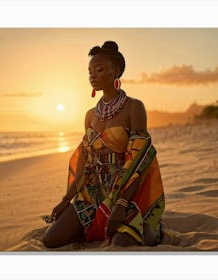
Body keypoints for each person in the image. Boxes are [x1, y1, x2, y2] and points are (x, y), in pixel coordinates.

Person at [43, 41, 165, 248]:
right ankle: (93, 225)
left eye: (99, 69)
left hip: (126, 188)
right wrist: (67, 199)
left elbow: (138, 158)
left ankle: (149, 225)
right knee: (51, 239)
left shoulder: (134, 108)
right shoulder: (89, 116)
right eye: (89, 71)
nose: (92, 75)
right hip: (93, 191)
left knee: (121, 244)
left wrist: (122, 203)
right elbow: (84, 160)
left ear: (115, 71)